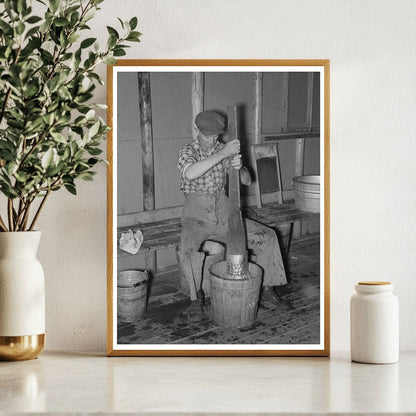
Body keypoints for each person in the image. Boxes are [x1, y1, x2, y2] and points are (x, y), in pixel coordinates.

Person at [177, 110, 290, 321]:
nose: (212, 140)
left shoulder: (224, 148)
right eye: (207, 136)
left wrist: (240, 168)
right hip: (196, 214)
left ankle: (267, 291)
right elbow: (190, 173)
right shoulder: (188, 150)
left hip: (224, 210)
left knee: (267, 236)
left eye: (215, 136)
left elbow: (247, 180)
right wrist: (222, 154)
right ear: (197, 131)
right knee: (187, 249)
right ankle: (196, 300)